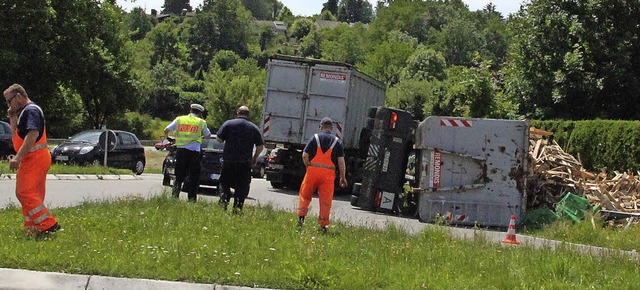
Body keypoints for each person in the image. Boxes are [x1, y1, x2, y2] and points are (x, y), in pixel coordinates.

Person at [4, 84, 60, 239]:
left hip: (34, 157)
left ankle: (49, 224)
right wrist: (12, 116)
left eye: (10, 101)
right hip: (35, 157)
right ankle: (34, 228)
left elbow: (33, 134)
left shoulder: (31, 111)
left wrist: (18, 157)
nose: (8, 105)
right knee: (33, 194)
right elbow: (16, 136)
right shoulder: (23, 112)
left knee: (24, 192)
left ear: (19, 97)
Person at [297, 117, 347, 233]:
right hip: (328, 175)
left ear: (321, 127)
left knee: (305, 195)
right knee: (325, 200)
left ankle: (300, 220)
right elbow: (341, 161)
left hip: (312, 172)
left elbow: (305, 155)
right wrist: (342, 177)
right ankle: (323, 226)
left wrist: (308, 166)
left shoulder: (314, 138)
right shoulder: (337, 141)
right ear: (331, 128)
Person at [216, 106, 264, 213]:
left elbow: (219, 139)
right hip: (244, 163)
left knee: (224, 183)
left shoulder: (228, 124)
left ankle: (223, 203)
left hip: (229, 161)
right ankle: (237, 209)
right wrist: (254, 157)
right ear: (248, 114)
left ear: (237, 112)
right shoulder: (253, 128)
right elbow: (260, 147)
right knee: (242, 186)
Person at [164, 103, 211, 202]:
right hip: (194, 153)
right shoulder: (201, 122)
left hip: (181, 152)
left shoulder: (180, 119)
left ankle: (174, 197)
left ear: (190, 110)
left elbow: (166, 130)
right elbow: (208, 135)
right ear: (200, 113)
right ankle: (192, 200)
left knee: (179, 176)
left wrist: (169, 138)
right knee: (194, 177)